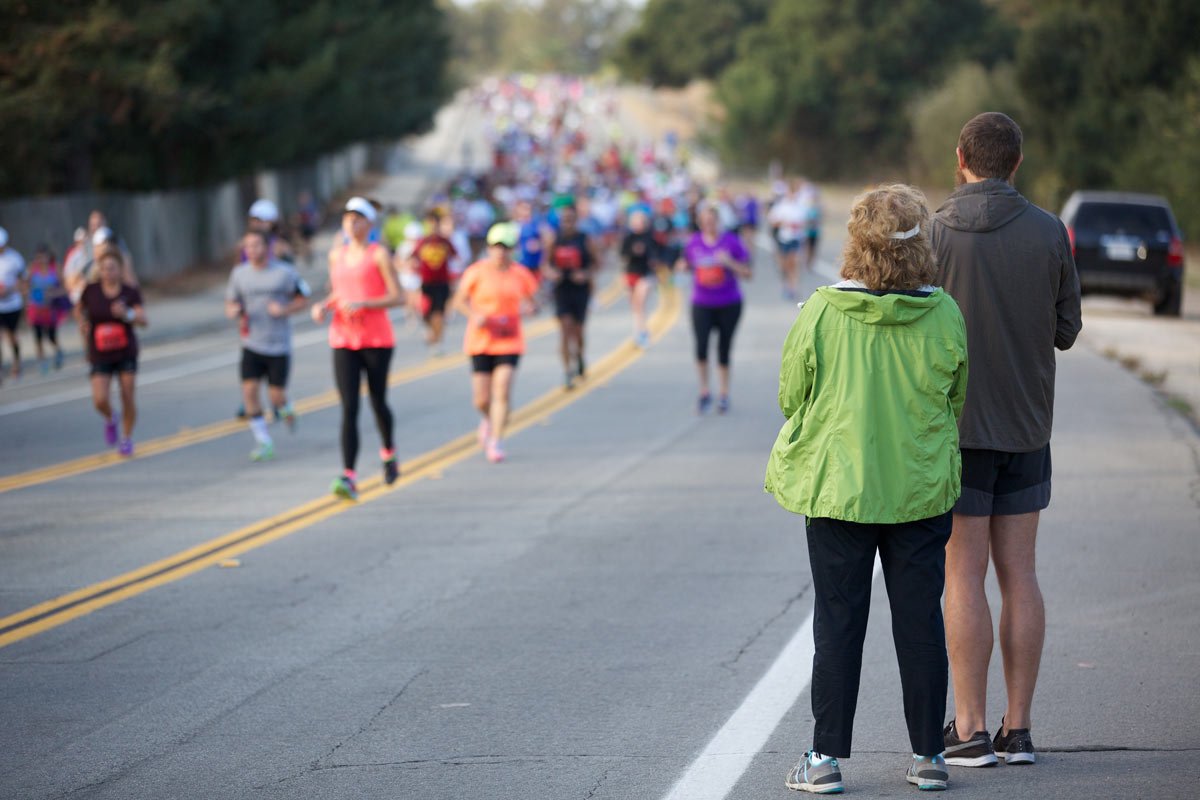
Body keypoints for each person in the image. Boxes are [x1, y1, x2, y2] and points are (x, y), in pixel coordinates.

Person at [765, 184, 968, 794]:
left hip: (840, 489)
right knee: (919, 620)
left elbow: (790, 395)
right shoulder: (944, 313)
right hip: (919, 488)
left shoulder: (823, 312)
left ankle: (824, 760)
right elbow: (956, 397)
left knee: (838, 619)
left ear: (857, 242)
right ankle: (929, 755)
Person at [931, 112, 1082, 768]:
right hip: (1026, 428)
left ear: (960, 157)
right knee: (1020, 574)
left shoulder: (932, 232)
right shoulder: (1050, 232)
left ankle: (966, 727)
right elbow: (1067, 330)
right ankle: (1016, 729)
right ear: (1016, 163)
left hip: (955, 432)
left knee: (961, 573)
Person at [311, 197, 404, 500]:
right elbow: (338, 291)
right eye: (348, 218)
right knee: (349, 407)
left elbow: (397, 297)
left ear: (369, 224)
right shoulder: (336, 255)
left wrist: (364, 304)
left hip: (376, 338)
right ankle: (349, 475)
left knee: (378, 401)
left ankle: (388, 453)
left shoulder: (379, 256)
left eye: (358, 218)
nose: (352, 223)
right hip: (343, 337)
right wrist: (324, 306)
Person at [450, 222, 539, 464]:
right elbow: (458, 301)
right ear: (489, 248)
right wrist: (474, 315)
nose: (501, 252)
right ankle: (489, 420)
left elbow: (534, 300)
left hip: (509, 340)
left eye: (506, 247)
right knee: (481, 399)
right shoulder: (476, 272)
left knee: (502, 390)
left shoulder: (521, 274)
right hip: (481, 340)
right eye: (497, 246)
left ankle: (497, 440)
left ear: (512, 249)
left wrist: (531, 307)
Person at [225, 229, 311, 461]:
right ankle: (263, 442)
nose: (252, 250)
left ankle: (286, 407)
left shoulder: (284, 273)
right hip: (251, 343)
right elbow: (231, 302)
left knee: (276, 397)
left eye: (256, 245)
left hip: (278, 345)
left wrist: (283, 309)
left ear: (267, 247)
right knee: (249, 393)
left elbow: (303, 299)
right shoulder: (239, 274)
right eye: (248, 246)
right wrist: (233, 310)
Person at [676, 201, 751, 414]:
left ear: (718, 221)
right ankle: (704, 391)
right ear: (700, 223)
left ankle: (724, 394)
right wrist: (681, 267)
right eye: (704, 221)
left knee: (723, 348)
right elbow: (683, 265)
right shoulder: (693, 243)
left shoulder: (731, 242)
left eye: (712, 220)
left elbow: (748, 273)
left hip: (729, 303)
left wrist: (729, 263)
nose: (708, 224)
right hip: (702, 303)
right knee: (701, 348)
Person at [78, 248, 146, 456]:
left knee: (127, 396)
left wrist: (127, 313)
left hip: (125, 351)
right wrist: (83, 324)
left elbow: (143, 321)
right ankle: (110, 417)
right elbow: (80, 310)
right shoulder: (91, 290)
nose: (108, 272)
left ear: (120, 269)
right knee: (100, 399)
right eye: (104, 268)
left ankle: (126, 438)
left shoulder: (129, 291)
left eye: (112, 268)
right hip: (100, 351)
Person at [543, 203, 597, 389]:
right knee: (565, 330)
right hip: (562, 289)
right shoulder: (554, 240)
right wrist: (551, 273)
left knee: (579, 332)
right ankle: (567, 371)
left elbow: (596, 263)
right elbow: (546, 265)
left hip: (580, 290)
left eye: (571, 219)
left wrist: (585, 274)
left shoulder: (584, 239)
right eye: (564, 220)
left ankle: (580, 356)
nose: (567, 223)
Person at [408, 211, 457, 355]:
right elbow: (412, 258)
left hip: (442, 282)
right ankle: (431, 332)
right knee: (425, 313)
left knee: (438, 313)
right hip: (426, 283)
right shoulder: (422, 242)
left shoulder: (445, 241)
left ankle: (437, 342)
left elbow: (455, 257)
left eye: (435, 224)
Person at [25, 244, 70, 373]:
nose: (41, 260)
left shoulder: (55, 268)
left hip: (51, 308)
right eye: (39, 257)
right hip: (36, 307)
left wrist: (52, 294)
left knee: (51, 335)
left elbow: (64, 289)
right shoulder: (32, 269)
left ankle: (58, 351)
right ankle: (42, 361)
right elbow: (25, 286)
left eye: (44, 257)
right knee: (38, 336)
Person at [619, 209, 656, 347]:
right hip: (631, 273)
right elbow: (623, 255)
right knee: (635, 307)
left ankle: (643, 333)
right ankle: (638, 331)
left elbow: (656, 254)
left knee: (640, 303)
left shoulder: (649, 237)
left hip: (645, 274)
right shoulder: (628, 238)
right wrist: (633, 252)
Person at [767, 180, 807, 300]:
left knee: (793, 263)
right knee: (784, 265)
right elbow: (773, 221)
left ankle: (793, 288)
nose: (793, 195)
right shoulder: (781, 206)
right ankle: (785, 285)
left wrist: (798, 225)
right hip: (784, 238)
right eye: (791, 192)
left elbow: (805, 222)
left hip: (796, 239)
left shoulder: (800, 206)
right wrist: (784, 223)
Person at [0, 227, 26, 380]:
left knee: (12, 336)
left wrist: (11, 289)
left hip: (13, 304)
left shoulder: (15, 258)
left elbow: (23, 280)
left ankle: (17, 362)